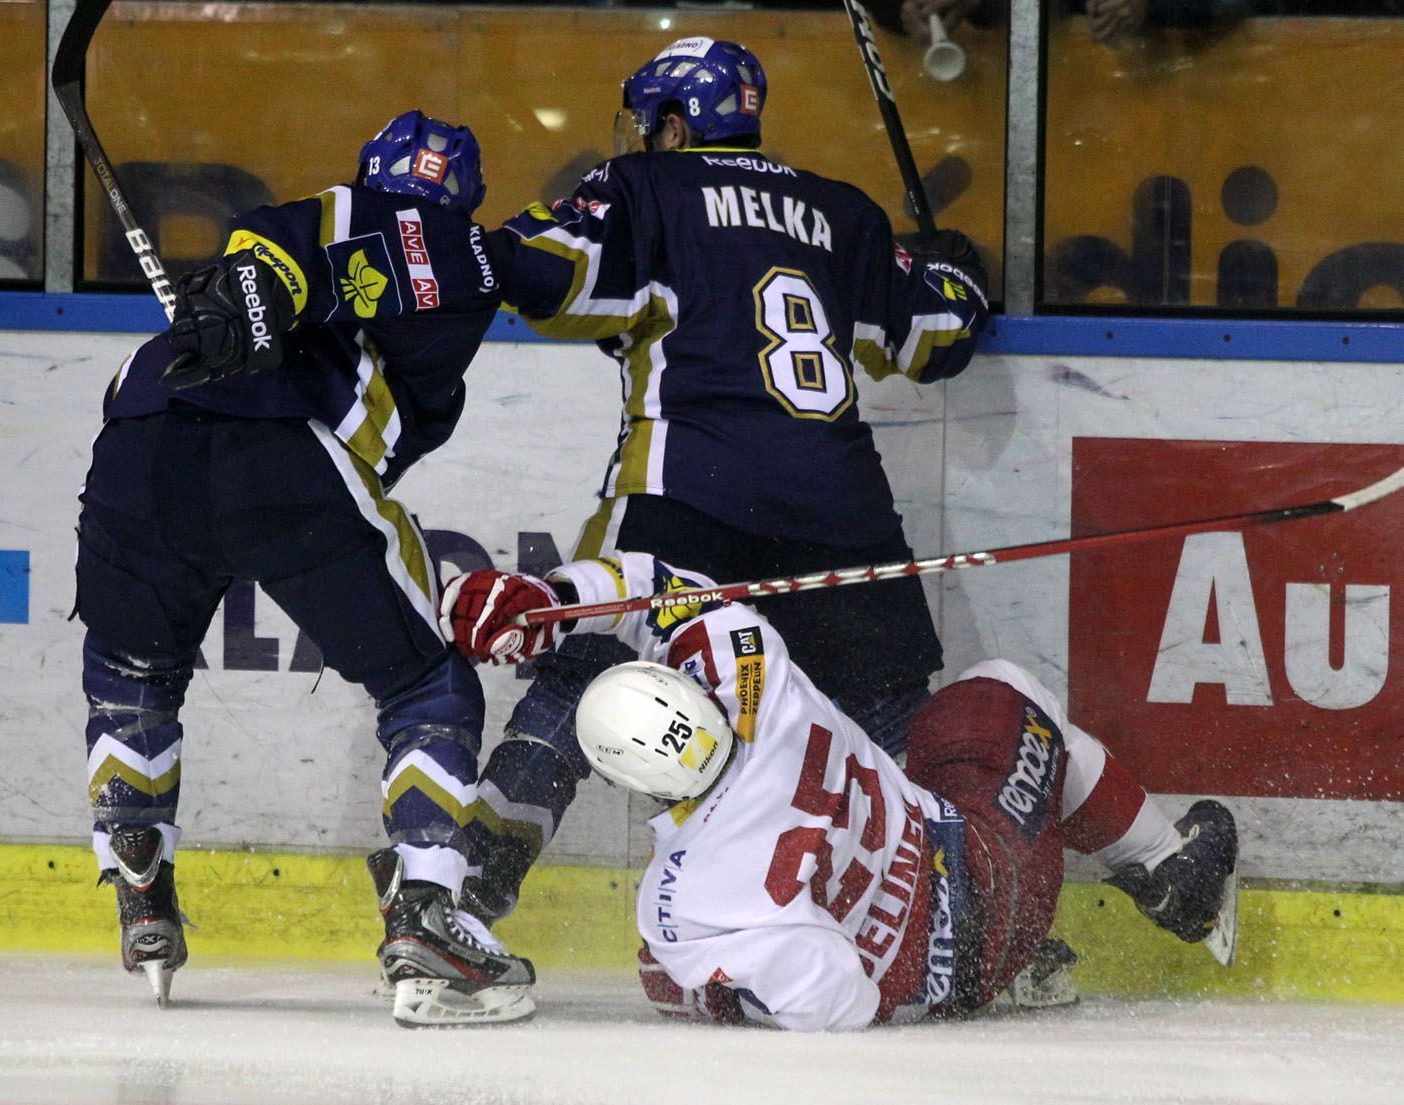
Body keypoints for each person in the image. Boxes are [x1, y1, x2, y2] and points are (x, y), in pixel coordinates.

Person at [461, 35, 991, 928]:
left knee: (587, 668)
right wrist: (953, 268)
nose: (642, 137)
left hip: (690, 493)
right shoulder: (844, 211)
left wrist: (456, 244)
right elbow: (941, 338)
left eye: (649, 124)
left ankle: (470, 883)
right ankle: (977, 923)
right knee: (890, 724)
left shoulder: (643, 188)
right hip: (842, 509)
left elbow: (541, 269)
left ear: (676, 124)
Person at [75, 110, 535, 1026]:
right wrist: (253, 289)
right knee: (428, 686)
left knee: (131, 672)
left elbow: (298, 242)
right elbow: (304, 243)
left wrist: (247, 291)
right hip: (281, 456)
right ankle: (426, 910)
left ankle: (140, 872)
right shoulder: (462, 260)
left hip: (134, 438)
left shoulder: (376, 229)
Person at [440, 554, 1240, 1030]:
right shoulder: (751, 667)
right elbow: (659, 588)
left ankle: (1029, 962)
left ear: (624, 781)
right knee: (996, 688)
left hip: (958, 980)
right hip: (997, 874)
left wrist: (719, 986)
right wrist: (554, 600)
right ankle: (1173, 873)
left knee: (673, 973)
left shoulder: (682, 901)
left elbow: (841, 1000)